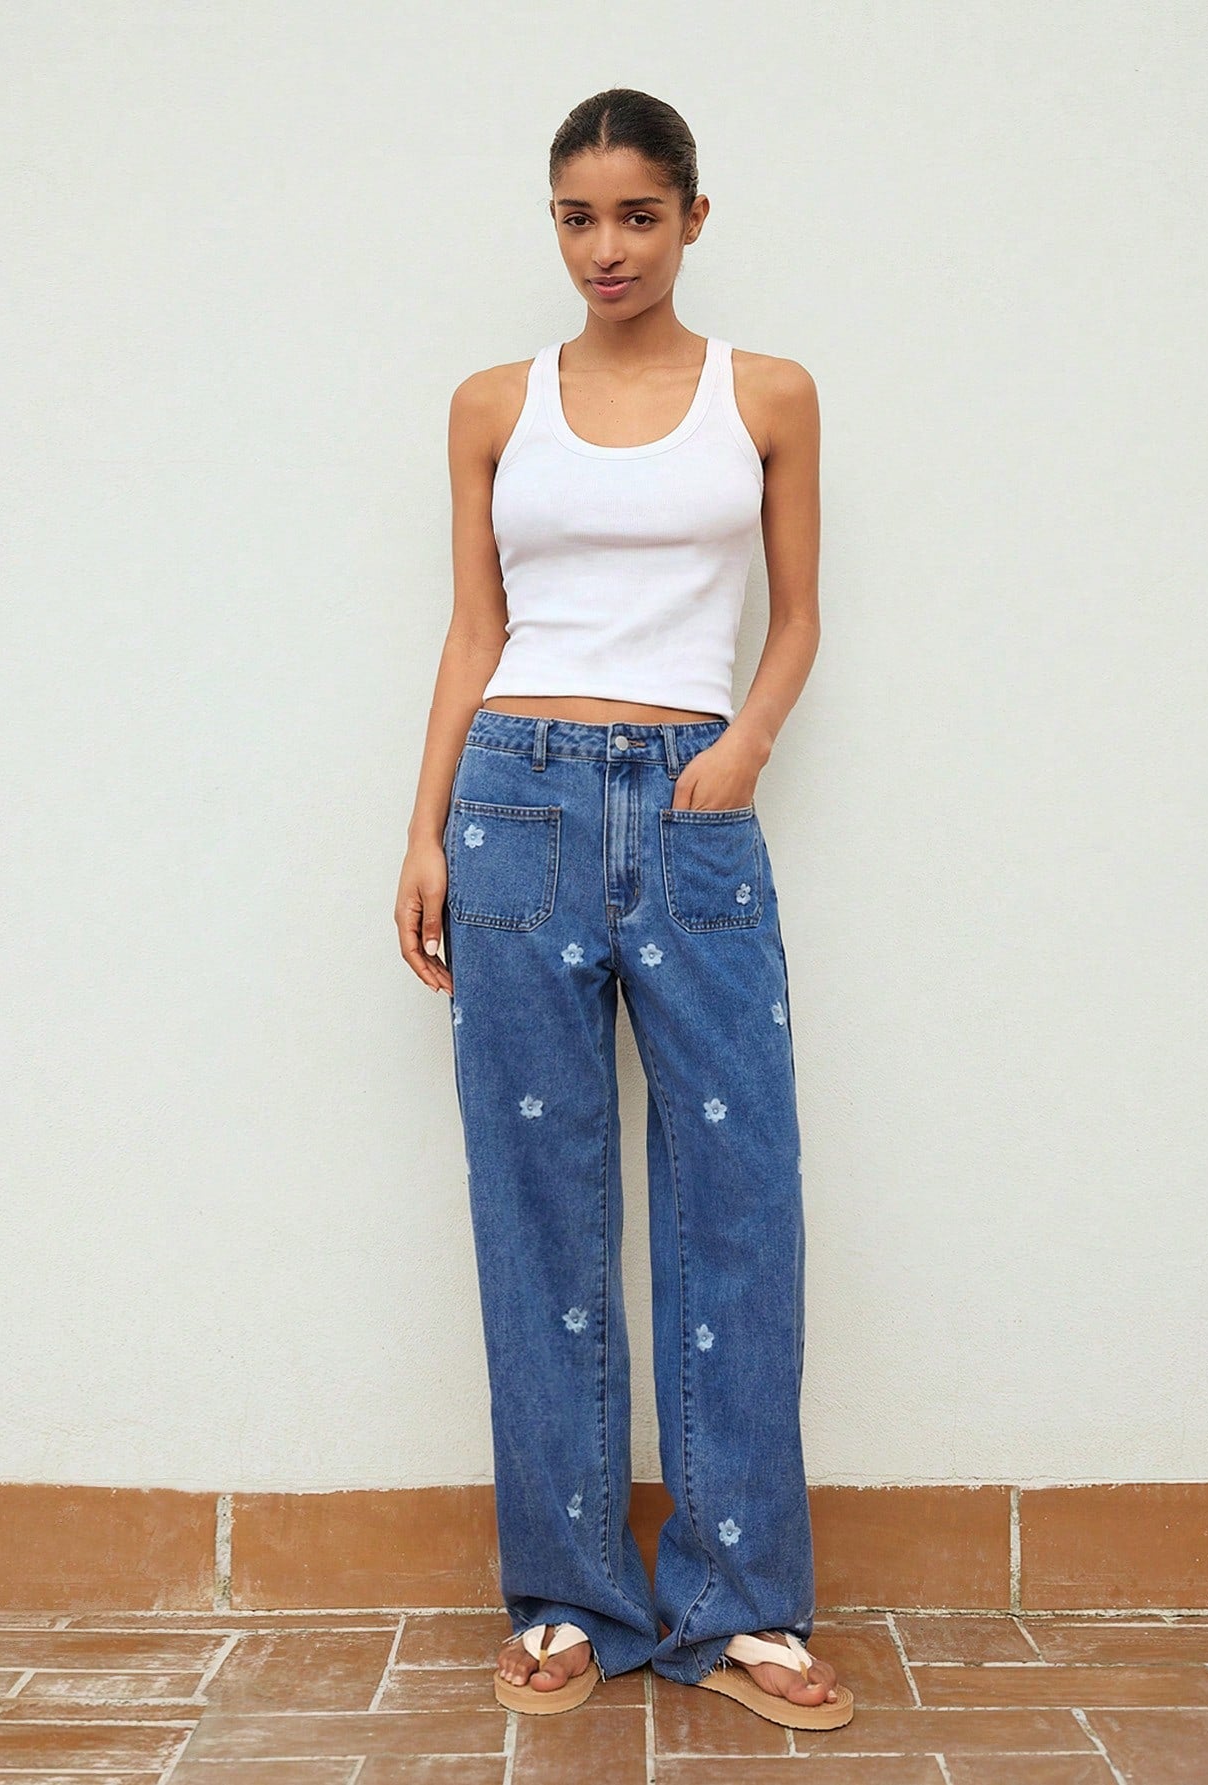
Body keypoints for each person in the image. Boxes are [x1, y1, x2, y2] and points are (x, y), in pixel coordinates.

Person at [396, 87, 852, 1732]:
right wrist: (424, 830)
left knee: (741, 1195)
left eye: (639, 216)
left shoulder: (768, 394)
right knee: (541, 1200)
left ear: (692, 218)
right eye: (579, 218)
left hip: (693, 804)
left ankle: (743, 1602)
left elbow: (797, 618)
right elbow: (475, 628)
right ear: (556, 223)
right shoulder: (492, 404)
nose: (609, 248)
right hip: (513, 801)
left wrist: (741, 753)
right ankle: (568, 1592)